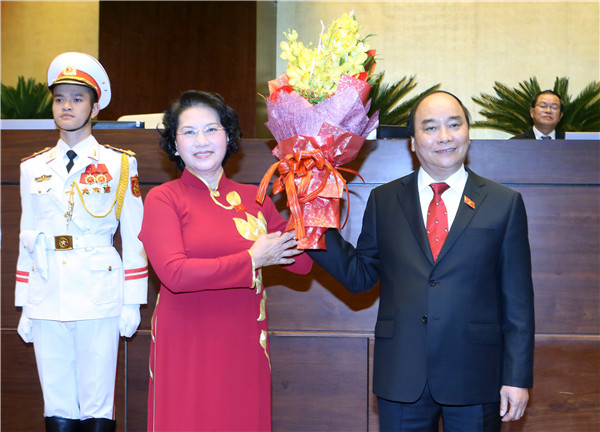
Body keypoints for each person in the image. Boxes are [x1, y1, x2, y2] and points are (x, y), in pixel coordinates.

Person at [308, 91, 535, 432]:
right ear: (412, 142)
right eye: (430, 128)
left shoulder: (504, 203)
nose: (444, 136)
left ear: (468, 134)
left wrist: (517, 378)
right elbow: (361, 277)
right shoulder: (384, 200)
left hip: (476, 376)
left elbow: (518, 301)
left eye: (454, 125)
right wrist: (311, 222)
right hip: (402, 373)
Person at [138, 90, 312, 431]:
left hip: (243, 344)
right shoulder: (164, 199)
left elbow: (301, 263)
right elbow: (175, 274)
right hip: (187, 345)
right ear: (174, 145)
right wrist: (251, 259)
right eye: (188, 132)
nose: (201, 140)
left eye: (211, 129)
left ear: (228, 136)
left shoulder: (255, 197)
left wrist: (309, 198)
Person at [15, 52, 148, 432]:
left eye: (76, 98)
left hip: (98, 289)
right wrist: (25, 303)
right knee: (56, 401)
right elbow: (28, 235)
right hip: (47, 288)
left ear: (94, 107)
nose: (66, 106)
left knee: (97, 403)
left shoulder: (120, 164)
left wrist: (133, 300)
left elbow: (135, 234)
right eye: (59, 99)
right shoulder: (32, 168)